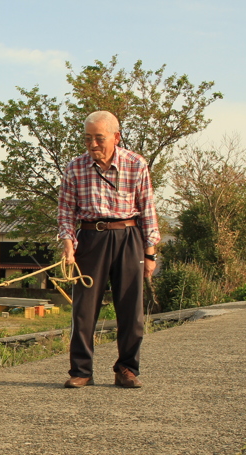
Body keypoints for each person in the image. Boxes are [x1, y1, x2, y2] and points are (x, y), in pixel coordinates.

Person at [58, 111, 160, 388]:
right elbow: (66, 212)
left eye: (99, 138)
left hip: (128, 237)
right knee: (83, 310)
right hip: (90, 238)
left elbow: (148, 209)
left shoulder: (136, 164)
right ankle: (81, 371)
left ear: (116, 137)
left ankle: (127, 368)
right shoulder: (75, 167)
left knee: (130, 309)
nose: (92, 145)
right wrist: (68, 244)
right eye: (87, 138)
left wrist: (150, 253)